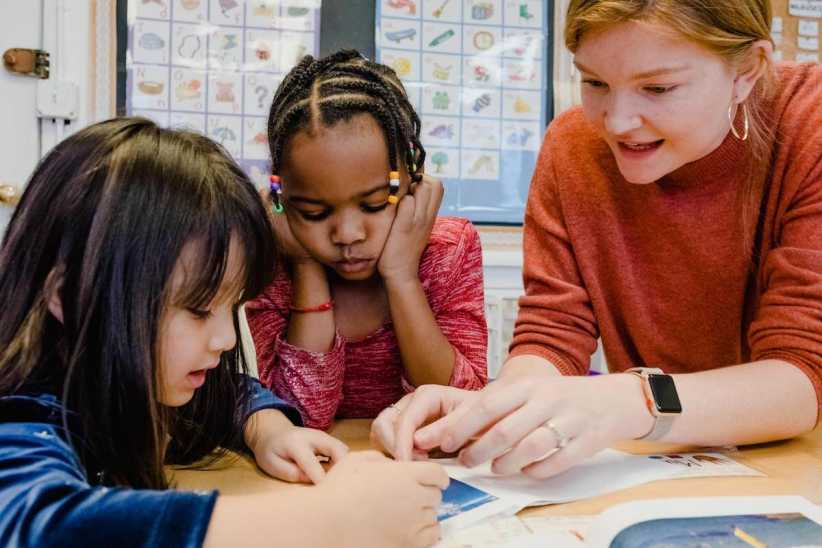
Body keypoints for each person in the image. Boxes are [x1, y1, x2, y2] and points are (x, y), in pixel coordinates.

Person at [372, 0, 822, 480]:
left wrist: (632, 399)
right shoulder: (574, 146)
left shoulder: (808, 124)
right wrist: (500, 413)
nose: (617, 122)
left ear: (747, 71)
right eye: (594, 83)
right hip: (680, 466)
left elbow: (801, 377)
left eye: (658, 87)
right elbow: (552, 335)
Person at [0, 118, 448, 547]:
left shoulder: (127, 381)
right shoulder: (22, 412)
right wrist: (327, 523)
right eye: (197, 310)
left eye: (229, 308)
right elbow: (28, 523)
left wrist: (269, 430)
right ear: (69, 294)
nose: (226, 340)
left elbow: (226, 394)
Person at [246, 50, 488, 430]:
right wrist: (305, 267)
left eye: (375, 204)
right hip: (321, 478)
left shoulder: (450, 249)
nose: (348, 235)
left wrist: (402, 277)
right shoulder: (274, 258)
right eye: (313, 212)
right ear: (279, 194)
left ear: (412, 180)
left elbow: (459, 409)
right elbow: (298, 418)